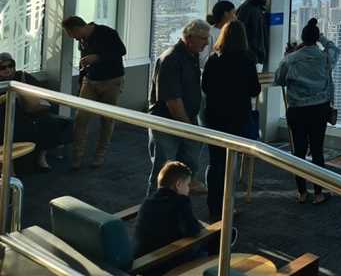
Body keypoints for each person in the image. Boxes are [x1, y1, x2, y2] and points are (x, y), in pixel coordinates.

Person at [274, 18, 338, 204]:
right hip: (320, 110)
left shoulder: (291, 59)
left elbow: (279, 80)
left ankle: (302, 192)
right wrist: (323, 38)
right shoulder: (325, 58)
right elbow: (334, 49)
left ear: (302, 38)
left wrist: (289, 54)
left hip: (297, 111)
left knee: (299, 151)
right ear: (317, 38)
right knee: (317, 150)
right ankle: (318, 193)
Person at [201, 21, 261, 220]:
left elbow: (206, 87)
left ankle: (214, 206)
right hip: (238, 117)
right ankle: (228, 206)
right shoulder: (247, 60)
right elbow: (255, 90)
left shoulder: (213, 60)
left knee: (215, 162)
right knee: (231, 163)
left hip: (215, 117)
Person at [147, 19, 209, 195]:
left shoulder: (192, 55)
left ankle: (176, 210)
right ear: (189, 38)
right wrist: (189, 129)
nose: (206, 43)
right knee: (164, 172)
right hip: (167, 123)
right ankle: (154, 214)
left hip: (184, 121)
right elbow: (173, 101)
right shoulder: (171, 59)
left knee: (185, 170)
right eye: (203, 39)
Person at [62, 16, 126, 170]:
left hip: (112, 81)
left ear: (77, 28)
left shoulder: (106, 32)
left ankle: (99, 155)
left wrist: (97, 57)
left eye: (72, 35)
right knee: (80, 118)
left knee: (107, 120)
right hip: (90, 80)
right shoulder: (82, 40)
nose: (73, 38)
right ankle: (77, 157)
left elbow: (121, 51)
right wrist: (81, 82)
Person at [0, 53, 72, 171]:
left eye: (10, 66)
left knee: (48, 122)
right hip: (7, 118)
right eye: (2, 68)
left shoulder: (22, 76)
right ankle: (10, 166)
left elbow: (43, 94)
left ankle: (41, 157)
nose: (7, 70)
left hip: (29, 114)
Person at [133, 160, 205, 272]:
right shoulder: (181, 201)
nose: (188, 189)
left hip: (143, 261)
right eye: (187, 184)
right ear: (178, 184)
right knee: (207, 247)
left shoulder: (148, 201)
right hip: (166, 262)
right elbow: (193, 230)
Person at [235, 0, 269, 69]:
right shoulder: (246, 9)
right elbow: (239, 34)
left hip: (256, 57)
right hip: (250, 59)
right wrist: (250, 55)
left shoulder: (258, 7)